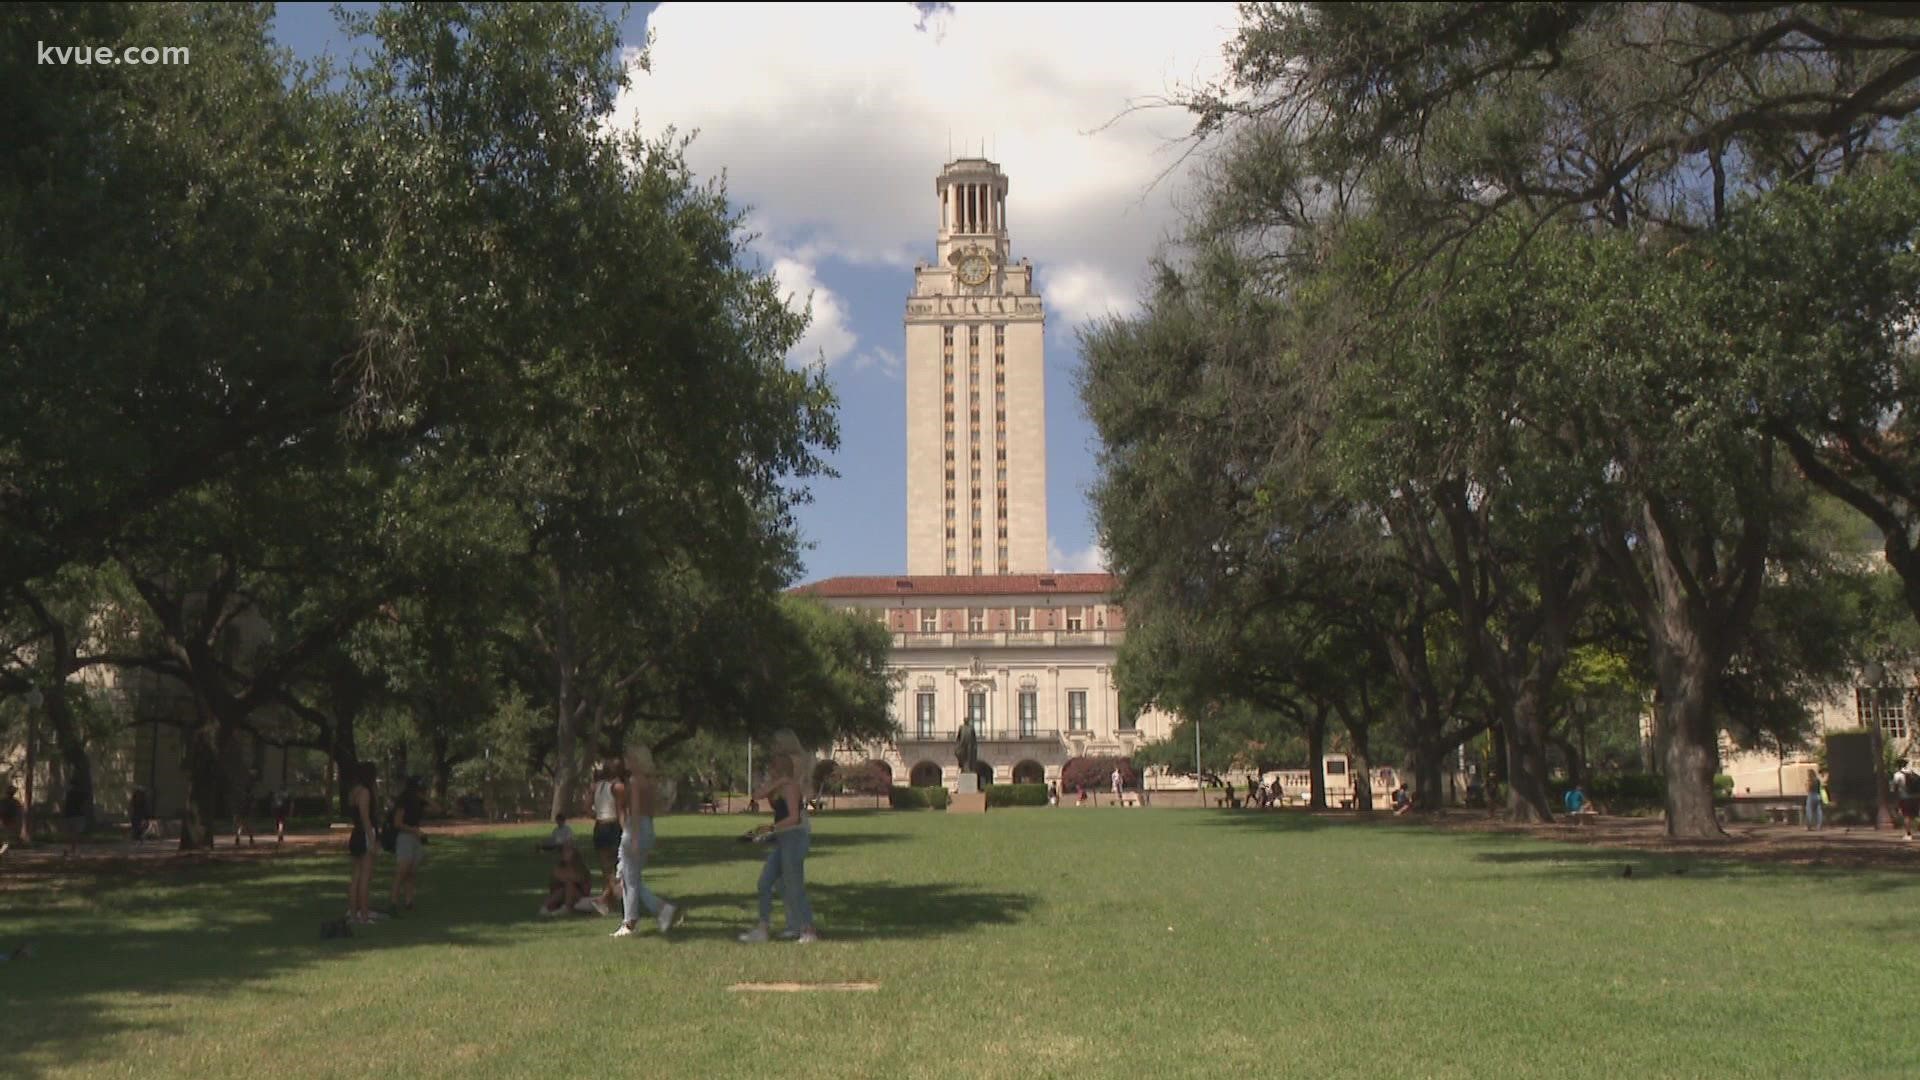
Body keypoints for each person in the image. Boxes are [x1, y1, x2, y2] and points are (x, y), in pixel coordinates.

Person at [739, 729, 818, 944]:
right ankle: (764, 929)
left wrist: (768, 830)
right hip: (785, 837)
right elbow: (757, 795)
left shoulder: (790, 787)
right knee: (766, 883)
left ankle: (808, 930)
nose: (771, 764)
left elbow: (793, 818)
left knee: (794, 885)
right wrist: (773, 783)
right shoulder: (783, 785)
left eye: (775, 761)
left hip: (794, 837)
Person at [612, 745, 682, 939]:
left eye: (628, 757)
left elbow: (635, 811)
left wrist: (633, 838)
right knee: (631, 878)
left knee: (630, 879)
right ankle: (661, 910)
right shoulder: (649, 782)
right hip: (648, 827)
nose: (625, 760)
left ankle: (630, 922)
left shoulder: (635, 781)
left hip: (636, 829)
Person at [587, 758, 623, 916]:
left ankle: (609, 904)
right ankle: (607, 897)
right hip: (612, 825)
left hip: (600, 825)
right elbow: (620, 811)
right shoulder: (617, 787)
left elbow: (586, 807)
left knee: (605, 868)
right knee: (614, 867)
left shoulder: (595, 787)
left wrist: (597, 815)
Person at [346, 762, 379, 925]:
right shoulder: (365, 792)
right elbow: (366, 818)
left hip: (355, 834)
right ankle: (364, 915)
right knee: (365, 877)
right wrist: (372, 840)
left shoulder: (353, 792)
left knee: (356, 877)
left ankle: (353, 914)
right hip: (364, 834)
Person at [389, 776, 428, 913]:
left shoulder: (419, 802)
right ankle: (393, 902)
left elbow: (438, 809)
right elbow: (397, 823)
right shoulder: (403, 801)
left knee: (411, 872)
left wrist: (425, 798)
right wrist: (413, 830)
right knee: (402, 870)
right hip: (405, 836)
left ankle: (409, 901)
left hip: (415, 837)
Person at [540, 828, 596, 916]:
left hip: (580, 899)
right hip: (562, 896)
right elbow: (554, 882)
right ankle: (546, 908)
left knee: (569, 885)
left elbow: (582, 884)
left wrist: (567, 878)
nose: (564, 854)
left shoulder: (581, 868)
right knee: (562, 889)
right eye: (563, 851)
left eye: (568, 851)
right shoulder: (559, 867)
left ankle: (567, 908)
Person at [1892, 759, 1920, 841]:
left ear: (1898, 766)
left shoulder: (1897, 775)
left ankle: (1908, 834)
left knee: (1907, 816)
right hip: (1917, 797)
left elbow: (1895, 788)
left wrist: (1895, 799)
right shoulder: (1913, 773)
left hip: (1905, 797)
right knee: (1916, 815)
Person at [61, 778, 89, 857]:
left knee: (71, 834)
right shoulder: (80, 793)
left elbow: (64, 804)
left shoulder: (69, 794)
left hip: (73, 816)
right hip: (76, 816)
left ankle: (73, 849)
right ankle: (73, 849)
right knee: (74, 834)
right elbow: (85, 803)